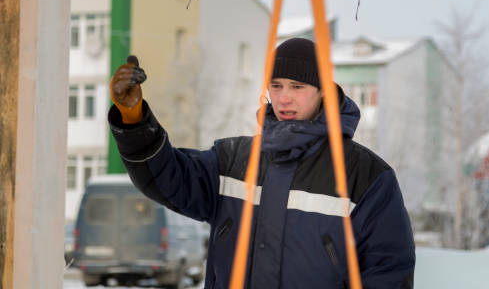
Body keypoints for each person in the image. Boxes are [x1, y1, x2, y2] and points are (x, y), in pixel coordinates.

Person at [109, 38, 416, 289]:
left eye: (297, 87)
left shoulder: (365, 176)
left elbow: (389, 271)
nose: (284, 98)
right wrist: (133, 119)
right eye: (277, 85)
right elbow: (168, 178)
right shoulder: (233, 160)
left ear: (323, 92)